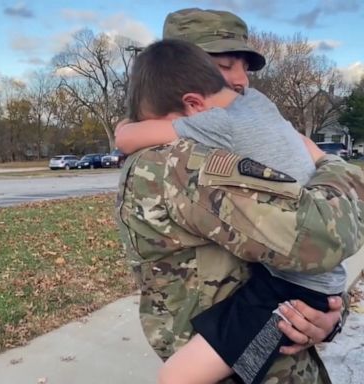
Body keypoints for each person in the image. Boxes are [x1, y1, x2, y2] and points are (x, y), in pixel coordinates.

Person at [116, 9, 352, 384]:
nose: (241, 80)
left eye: (244, 66)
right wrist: (335, 166)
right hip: (261, 338)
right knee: (179, 376)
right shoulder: (182, 161)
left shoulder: (235, 124)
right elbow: (325, 235)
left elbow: (315, 250)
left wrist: (330, 320)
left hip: (289, 317)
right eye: (223, 65)